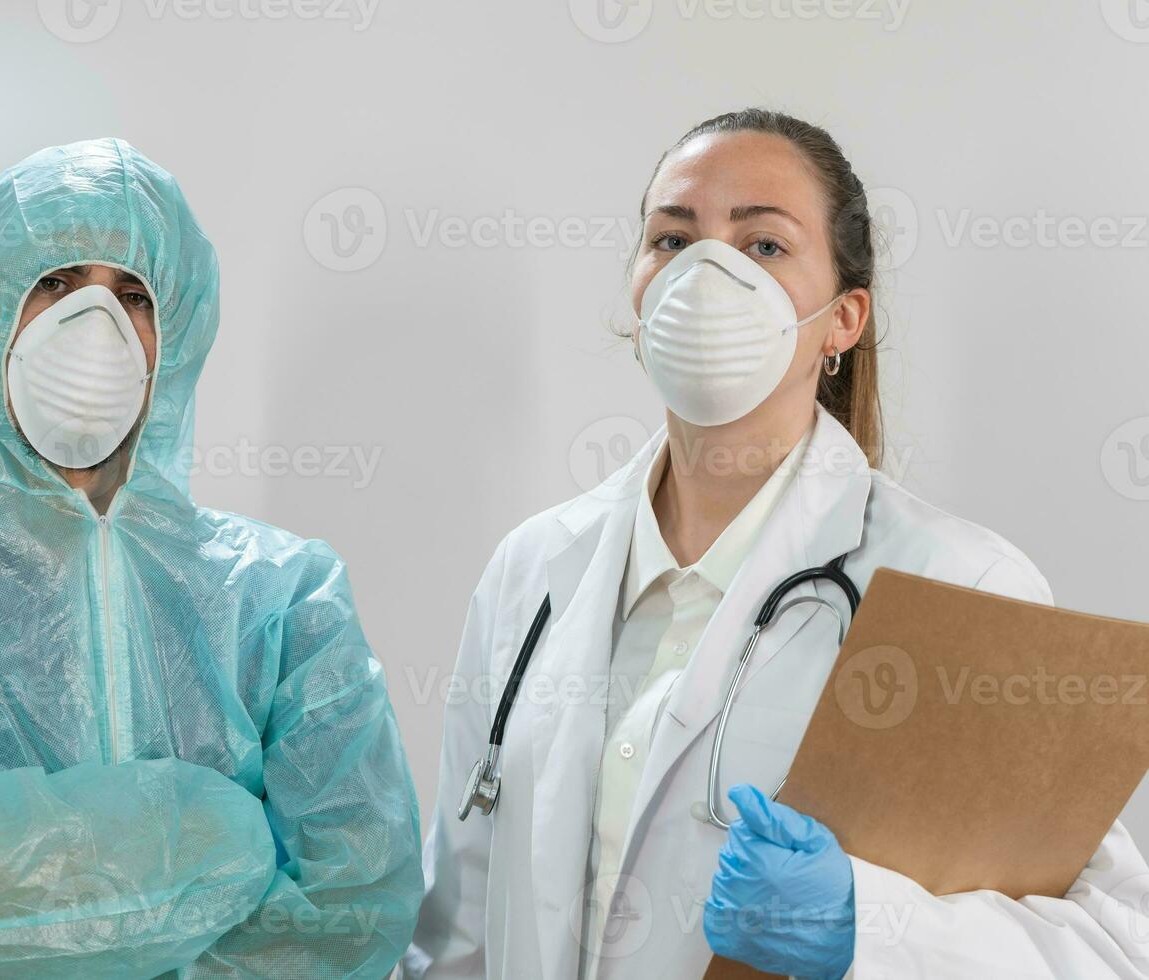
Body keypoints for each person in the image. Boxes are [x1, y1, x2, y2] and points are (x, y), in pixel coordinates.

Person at [404, 109, 1149, 979]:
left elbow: (1112, 946)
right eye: (673, 240)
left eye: (762, 246)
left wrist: (866, 927)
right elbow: (453, 931)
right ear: (640, 295)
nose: (705, 274)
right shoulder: (532, 571)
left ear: (843, 320)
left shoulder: (959, 586)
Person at [0, 137, 422, 979]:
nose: (94, 328)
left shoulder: (282, 598)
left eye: (132, 294)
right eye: (56, 283)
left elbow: (351, 913)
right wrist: (225, 837)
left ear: (177, 332)